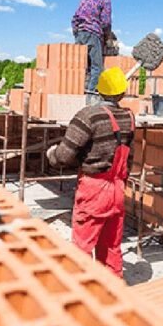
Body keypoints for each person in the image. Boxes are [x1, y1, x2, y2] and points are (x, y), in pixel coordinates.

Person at [46, 67, 133, 277]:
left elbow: (64, 156)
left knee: (82, 248)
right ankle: (113, 293)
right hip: (118, 189)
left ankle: (82, 294)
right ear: (122, 92)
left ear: (98, 90)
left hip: (94, 190)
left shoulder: (88, 116)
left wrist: (52, 154)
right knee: (112, 246)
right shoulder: (129, 117)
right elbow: (129, 157)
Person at [72, 0, 119, 94]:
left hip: (80, 33)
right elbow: (106, 22)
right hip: (93, 34)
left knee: (82, 66)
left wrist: (77, 33)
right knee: (97, 67)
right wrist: (107, 37)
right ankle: (90, 93)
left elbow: (75, 17)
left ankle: (77, 90)